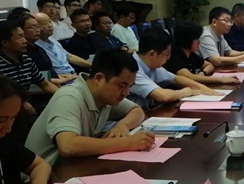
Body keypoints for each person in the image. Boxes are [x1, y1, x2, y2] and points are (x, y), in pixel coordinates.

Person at [25, 50, 153, 166]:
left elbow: (137, 110)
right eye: (122, 85)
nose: (126, 92)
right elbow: (68, 146)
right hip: (44, 177)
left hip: (75, 168)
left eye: (130, 86)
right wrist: (128, 143)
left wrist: (122, 126)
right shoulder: (69, 97)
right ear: (99, 79)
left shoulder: (105, 97)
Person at [129, 28, 220, 109]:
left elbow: (175, 79)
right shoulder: (132, 68)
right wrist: (184, 92)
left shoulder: (153, 65)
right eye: (167, 54)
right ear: (152, 54)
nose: (168, 58)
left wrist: (203, 88)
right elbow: (163, 96)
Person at [0, 20, 59, 115]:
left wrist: (63, 95)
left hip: (27, 106)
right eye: (20, 37)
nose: (25, 41)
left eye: (23, 36)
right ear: (5, 43)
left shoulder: (26, 60)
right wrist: (22, 103)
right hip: (6, 111)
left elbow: (45, 84)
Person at [165, 22, 240, 86]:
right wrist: (221, 80)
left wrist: (202, 73)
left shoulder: (190, 53)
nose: (199, 42)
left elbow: (209, 65)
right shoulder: (174, 55)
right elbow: (190, 77)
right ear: (187, 40)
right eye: (197, 39)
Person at [16, 14, 75, 87]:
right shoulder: (23, 54)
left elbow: (49, 73)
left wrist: (67, 77)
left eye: (37, 26)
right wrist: (62, 81)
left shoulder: (39, 48)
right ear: (21, 30)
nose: (38, 30)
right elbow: (35, 79)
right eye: (32, 27)